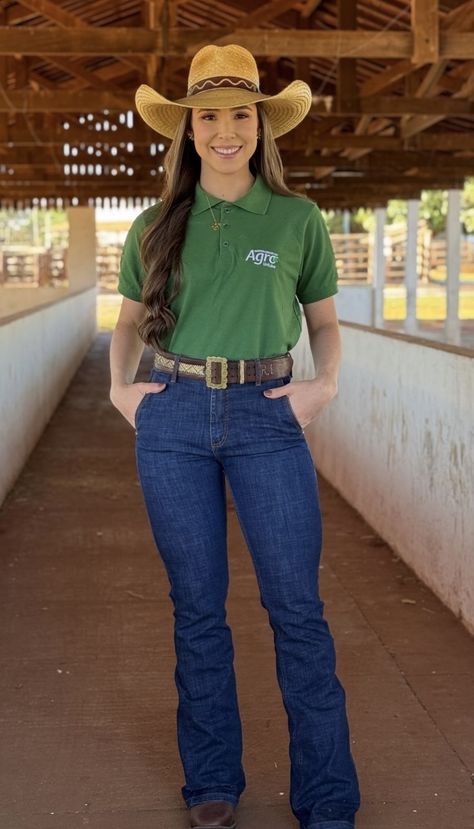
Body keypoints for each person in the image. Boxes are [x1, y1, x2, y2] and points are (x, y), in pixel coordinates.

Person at [109, 43, 360, 829]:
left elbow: (324, 321)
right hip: (174, 417)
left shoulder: (297, 219)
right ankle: (213, 780)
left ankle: (326, 796)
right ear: (186, 130)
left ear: (261, 125)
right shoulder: (154, 226)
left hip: (267, 414)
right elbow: (124, 324)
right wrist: (125, 394)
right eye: (208, 116)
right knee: (197, 608)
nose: (225, 130)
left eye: (239, 114)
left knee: (296, 608)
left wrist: (322, 388)